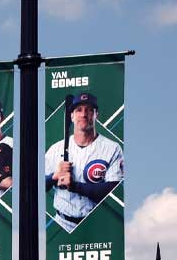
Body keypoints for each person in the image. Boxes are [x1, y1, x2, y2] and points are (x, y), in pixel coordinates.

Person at [45, 90, 124, 233]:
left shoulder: (112, 148)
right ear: (72, 116)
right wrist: (53, 177)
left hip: (97, 224)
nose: (83, 114)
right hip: (62, 224)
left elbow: (112, 192)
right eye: (78, 110)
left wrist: (74, 186)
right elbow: (36, 187)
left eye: (89, 110)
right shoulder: (55, 149)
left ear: (96, 115)